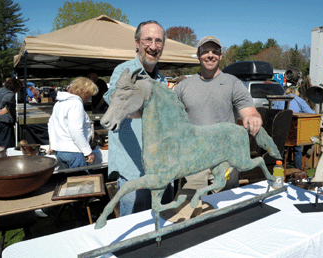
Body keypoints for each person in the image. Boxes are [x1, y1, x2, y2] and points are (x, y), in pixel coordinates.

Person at [174, 36, 263, 193]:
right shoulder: (183, 86)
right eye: (205, 51)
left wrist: (252, 117)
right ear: (198, 54)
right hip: (193, 160)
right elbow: (172, 119)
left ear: (221, 56)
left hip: (225, 160)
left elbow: (248, 110)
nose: (210, 55)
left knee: (224, 209)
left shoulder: (233, 83)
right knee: (189, 208)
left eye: (215, 52)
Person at [103, 20, 173, 216]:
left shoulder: (161, 79)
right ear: (136, 42)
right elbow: (115, 102)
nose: (153, 46)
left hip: (161, 167)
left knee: (163, 220)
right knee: (134, 226)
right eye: (147, 40)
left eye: (158, 41)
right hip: (134, 169)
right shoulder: (124, 71)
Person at [47, 77, 102, 169]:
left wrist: (51, 144)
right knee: (81, 180)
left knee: (68, 180)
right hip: (74, 151)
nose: (89, 98)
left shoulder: (59, 103)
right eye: (89, 95)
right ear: (84, 92)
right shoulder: (76, 104)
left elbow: (51, 125)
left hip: (60, 150)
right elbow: (76, 131)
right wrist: (88, 152)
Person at [274, 87, 315, 169]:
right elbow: (311, 113)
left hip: (281, 127)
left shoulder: (279, 99)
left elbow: (274, 111)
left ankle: (279, 168)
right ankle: (298, 171)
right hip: (294, 128)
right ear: (296, 93)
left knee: (281, 148)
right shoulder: (299, 100)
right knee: (297, 149)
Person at [0, 78, 23, 148]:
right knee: (6, 144)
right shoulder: (10, 93)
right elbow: (7, 99)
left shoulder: (0, 91)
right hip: (4, 122)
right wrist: (7, 108)